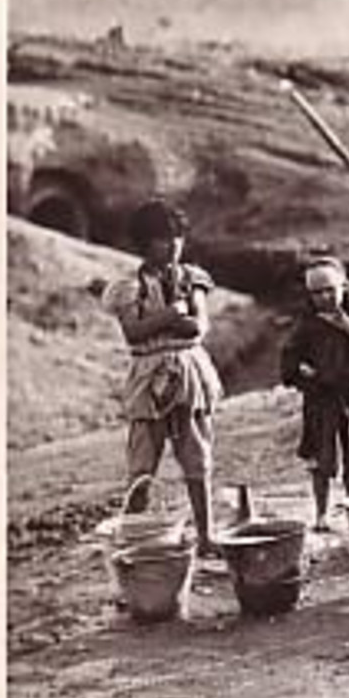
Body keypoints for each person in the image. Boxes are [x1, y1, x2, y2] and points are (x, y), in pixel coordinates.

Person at [101, 198, 225, 555]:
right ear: (144, 243)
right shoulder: (129, 286)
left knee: (197, 456)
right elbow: (133, 333)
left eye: (177, 238)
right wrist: (172, 314)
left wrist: (170, 321)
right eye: (161, 239)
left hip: (189, 372)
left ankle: (205, 537)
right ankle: (131, 543)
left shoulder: (192, 278)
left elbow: (199, 327)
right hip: (148, 376)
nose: (172, 246)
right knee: (141, 466)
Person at [280, 255, 349, 531]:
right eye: (317, 292)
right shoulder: (307, 325)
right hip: (321, 400)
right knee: (320, 459)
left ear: (344, 287)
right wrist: (306, 375)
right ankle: (321, 513)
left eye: (331, 289)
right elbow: (289, 360)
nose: (325, 297)